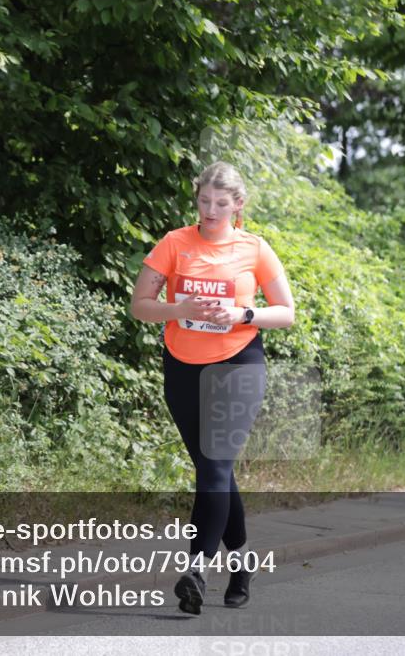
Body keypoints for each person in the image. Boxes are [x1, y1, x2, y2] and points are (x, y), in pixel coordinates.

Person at [129, 161, 295, 614]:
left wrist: (244, 315)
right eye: (204, 201)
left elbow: (286, 312)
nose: (210, 210)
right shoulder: (174, 243)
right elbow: (140, 306)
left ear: (238, 205)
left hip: (238, 363)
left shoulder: (255, 248)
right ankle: (241, 564)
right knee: (213, 470)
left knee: (216, 464)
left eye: (221, 203)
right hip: (183, 366)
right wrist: (177, 306)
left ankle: (196, 569)